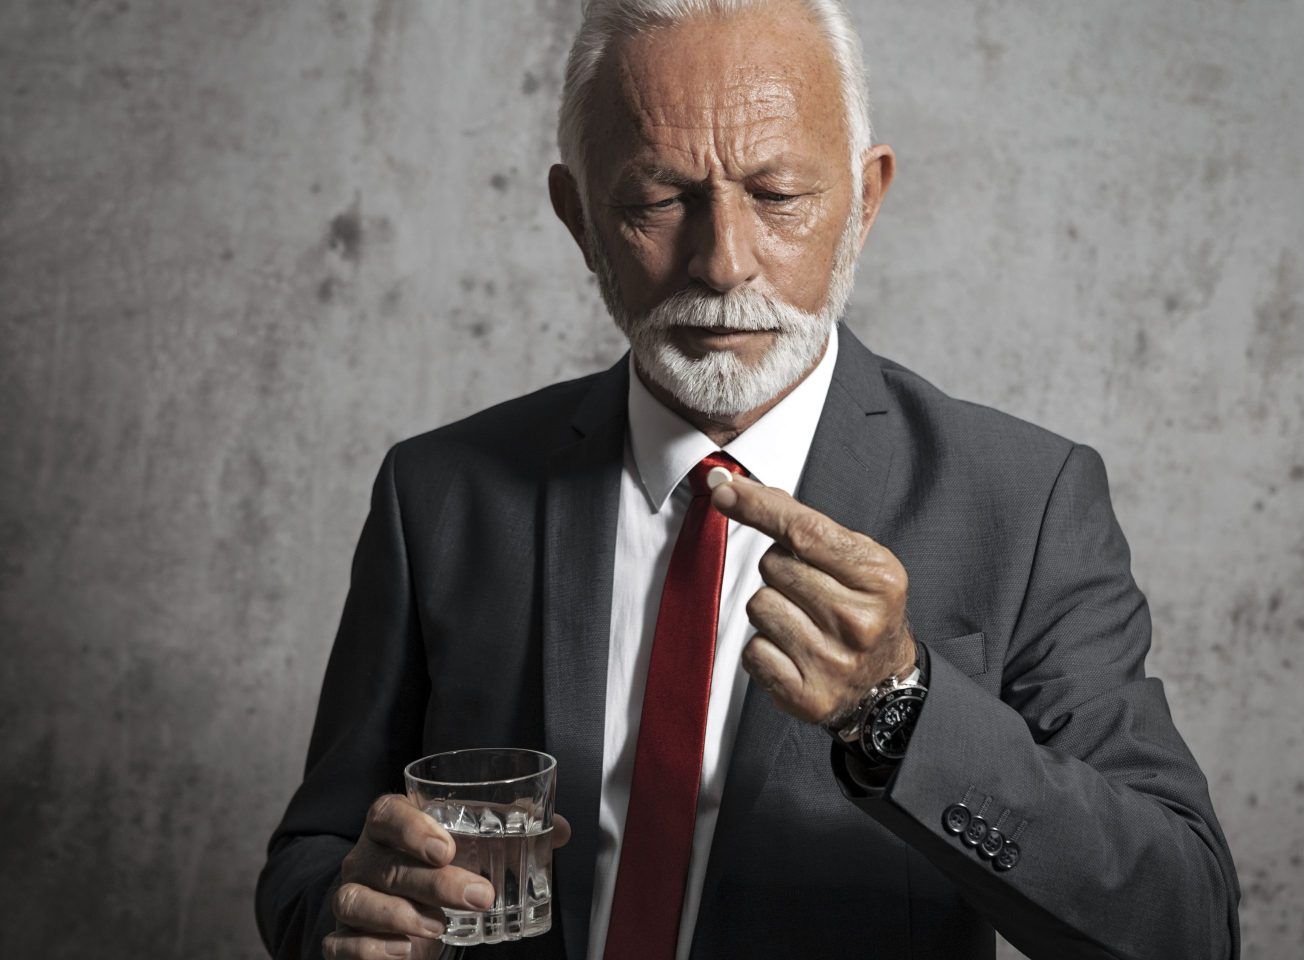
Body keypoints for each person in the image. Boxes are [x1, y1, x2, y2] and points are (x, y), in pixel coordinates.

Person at [256, 1, 1242, 957]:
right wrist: (344, 913)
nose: (724, 263)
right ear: (577, 217)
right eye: (655, 200)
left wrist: (901, 708)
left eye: (778, 198)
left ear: (865, 199)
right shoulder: (439, 496)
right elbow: (314, 858)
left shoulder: (1023, 503)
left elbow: (1183, 923)